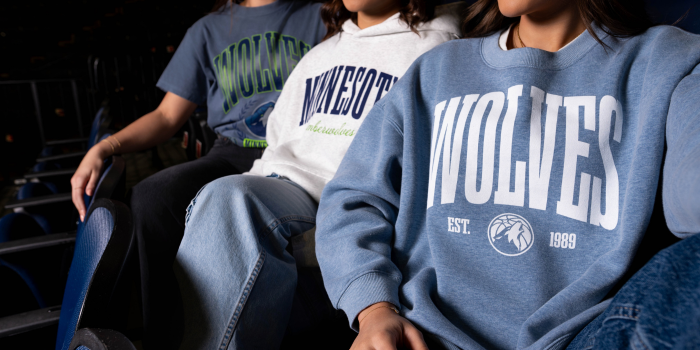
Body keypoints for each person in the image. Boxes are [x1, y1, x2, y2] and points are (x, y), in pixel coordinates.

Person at [315, 0, 700, 349]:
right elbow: (353, 198)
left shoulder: (666, 60)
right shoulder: (436, 70)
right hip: (429, 339)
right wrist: (375, 309)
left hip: (590, 337)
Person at [173, 0, 463, 348]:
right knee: (217, 200)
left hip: (344, 201)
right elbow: (277, 145)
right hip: (280, 190)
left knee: (230, 199)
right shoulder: (321, 53)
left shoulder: (442, 47)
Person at [69, 0, 326, 348]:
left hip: (300, 151)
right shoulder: (208, 29)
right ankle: (164, 338)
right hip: (232, 152)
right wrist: (105, 147)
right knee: (151, 197)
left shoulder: (323, 15)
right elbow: (165, 117)